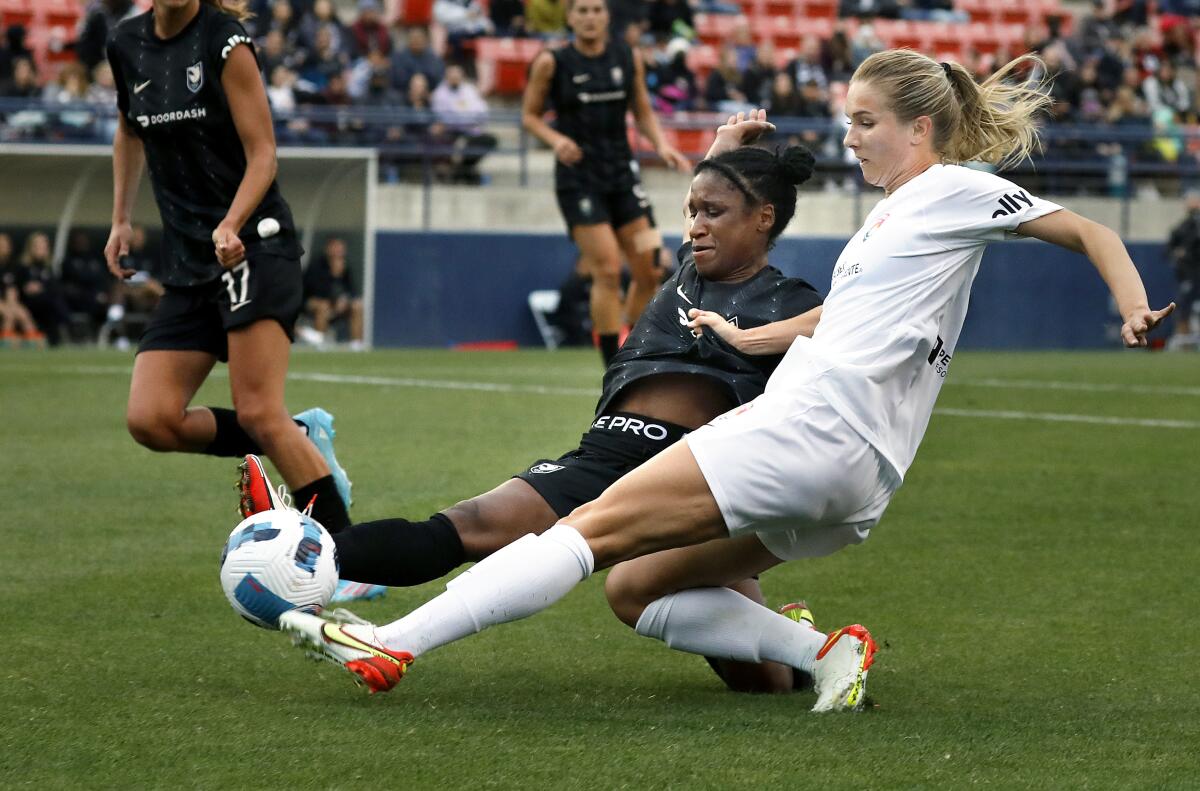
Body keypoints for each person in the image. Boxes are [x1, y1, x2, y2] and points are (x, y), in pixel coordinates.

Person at [278, 51, 1174, 711]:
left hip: (812, 430)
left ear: (920, 128)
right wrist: (759, 332)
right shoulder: (899, 222)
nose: (849, 135)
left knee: (588, 530)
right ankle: (826, 652)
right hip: (861, 480)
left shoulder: (948, 190)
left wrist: (1134, 306)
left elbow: (1091, 230)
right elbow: (843, 322)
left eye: (865, 120)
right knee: (638, 588)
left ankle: (393, 640)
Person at [244, 122, 825, 690]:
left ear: (763, 218)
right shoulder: (688, 272)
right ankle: (305, 552)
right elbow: (714, 198)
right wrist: (723, 149)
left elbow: (833, 346)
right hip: (608, 451)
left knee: (761, 682)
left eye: (713, 213)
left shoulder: (791, 301)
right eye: (691, 211)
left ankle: (798, 649)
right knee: (472, 525)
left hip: (697, 476)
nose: (696, 225)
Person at [104, 0, 355, 551]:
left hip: (253, 246)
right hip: (190, 263)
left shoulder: (224, 42)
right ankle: (298, 437)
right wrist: (121, 217)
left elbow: (264, 153)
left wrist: (231, 222)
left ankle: (350, 559)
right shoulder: (125, 44)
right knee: (152, 420)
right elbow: (128, 129)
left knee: (259, 410)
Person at [522, 0, 691, 366]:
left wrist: (661, 145)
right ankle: (611, 366)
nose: (589, 17)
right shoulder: (552, 62)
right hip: (580, 180)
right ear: (569, 17)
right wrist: (556, 140)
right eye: (581, 10)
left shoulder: (626, 56)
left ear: (607, 16)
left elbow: (643, 111)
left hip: (622, 176)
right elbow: (530, 116)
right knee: (609, 269)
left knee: (649, 265)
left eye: (596, 10)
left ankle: (631, 351)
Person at [302, 237, 364, 348]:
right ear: (328, 249)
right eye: (335, 247)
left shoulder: (345, 267)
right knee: (323, 305)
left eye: (340, 248)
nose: (338, 251)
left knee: (357, 306)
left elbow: (351, 290)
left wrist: (344, 300)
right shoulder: (316, 265)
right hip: (314, 303)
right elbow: (314, 290)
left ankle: (356, 345)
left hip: (338, 304)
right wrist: (333, 276)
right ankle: (319, 342)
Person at [1165, 191, 1200, 348]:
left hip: (1195, 273)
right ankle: (1184, 341)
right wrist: (1177, 253)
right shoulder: (1182, 228)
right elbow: (1168, 249)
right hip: (1187, 275)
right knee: (1183, 307)